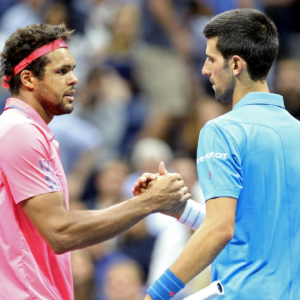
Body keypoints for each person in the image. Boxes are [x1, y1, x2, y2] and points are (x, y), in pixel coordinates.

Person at [0, 23, 191, 300]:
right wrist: (149, 203)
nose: (75, 79)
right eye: (62, 71)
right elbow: (60, 232)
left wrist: (140, 204)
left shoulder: (24, 129)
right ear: (28, 79)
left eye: (73, 69)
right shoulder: (20, 132)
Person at [141, 8, 300, 300]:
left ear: (235, 64)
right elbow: (247, 230)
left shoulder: (221, 131)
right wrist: (181, 210)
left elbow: (220, 230)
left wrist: (157, 294)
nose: (204, 69)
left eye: (211, 58)